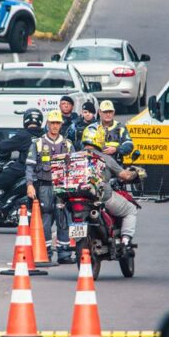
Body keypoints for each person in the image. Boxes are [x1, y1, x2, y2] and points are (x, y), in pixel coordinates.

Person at [80, 124, 139, 257]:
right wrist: (136, 173)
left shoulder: (74, 156)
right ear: (99, 139)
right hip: (102, 198)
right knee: (131, 209)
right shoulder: (105, 158)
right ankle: (125, 241)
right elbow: (125, 175)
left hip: (77, 199)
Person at [26, 110, 75, 263]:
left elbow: (74, 166)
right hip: (44, 186)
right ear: (47, 124)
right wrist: (29, 185)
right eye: (52, 123)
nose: (55, 126)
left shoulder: (68, 144)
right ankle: (45, 253)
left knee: (63, 217)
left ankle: (64, 253)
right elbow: (29, 167)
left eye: (57, 123)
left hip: (62, 188)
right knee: (46, 218)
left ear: (61, 125)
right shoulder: (38, 143)